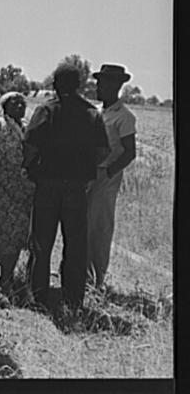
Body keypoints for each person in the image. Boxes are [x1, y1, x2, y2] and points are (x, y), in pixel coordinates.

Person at [22, 63, 109, 315]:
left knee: (41, 241)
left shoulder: (46, 110)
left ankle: (38, 295)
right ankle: (73, 298)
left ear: (55, 85)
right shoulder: (92, 113)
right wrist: (86, 170)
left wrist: (30, 168)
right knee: (75, 243)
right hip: (76, 188)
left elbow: (30, 145)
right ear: (79, 85)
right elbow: (103, 151)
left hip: (47, 185)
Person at [86, 64, 137, 290]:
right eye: (98, 82)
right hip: (87, 175)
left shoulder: (124, 117)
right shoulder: (96, 111)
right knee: (83, 224)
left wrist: (108, 172)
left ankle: (97, 280)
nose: (98, 86)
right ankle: (82, 274)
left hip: (107, 176)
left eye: (102, 83)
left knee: (100, 226)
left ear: (115, 86)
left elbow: (130, 152)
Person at [0, 91, 35, 297]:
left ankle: (10, 277)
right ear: (4, 106)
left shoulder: (26, 127)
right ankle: (3, 281)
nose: (20, 106)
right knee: (4, 236)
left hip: (25, 191)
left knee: (19, 234)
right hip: (3, 189)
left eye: (23, 102)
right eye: (15, 102)